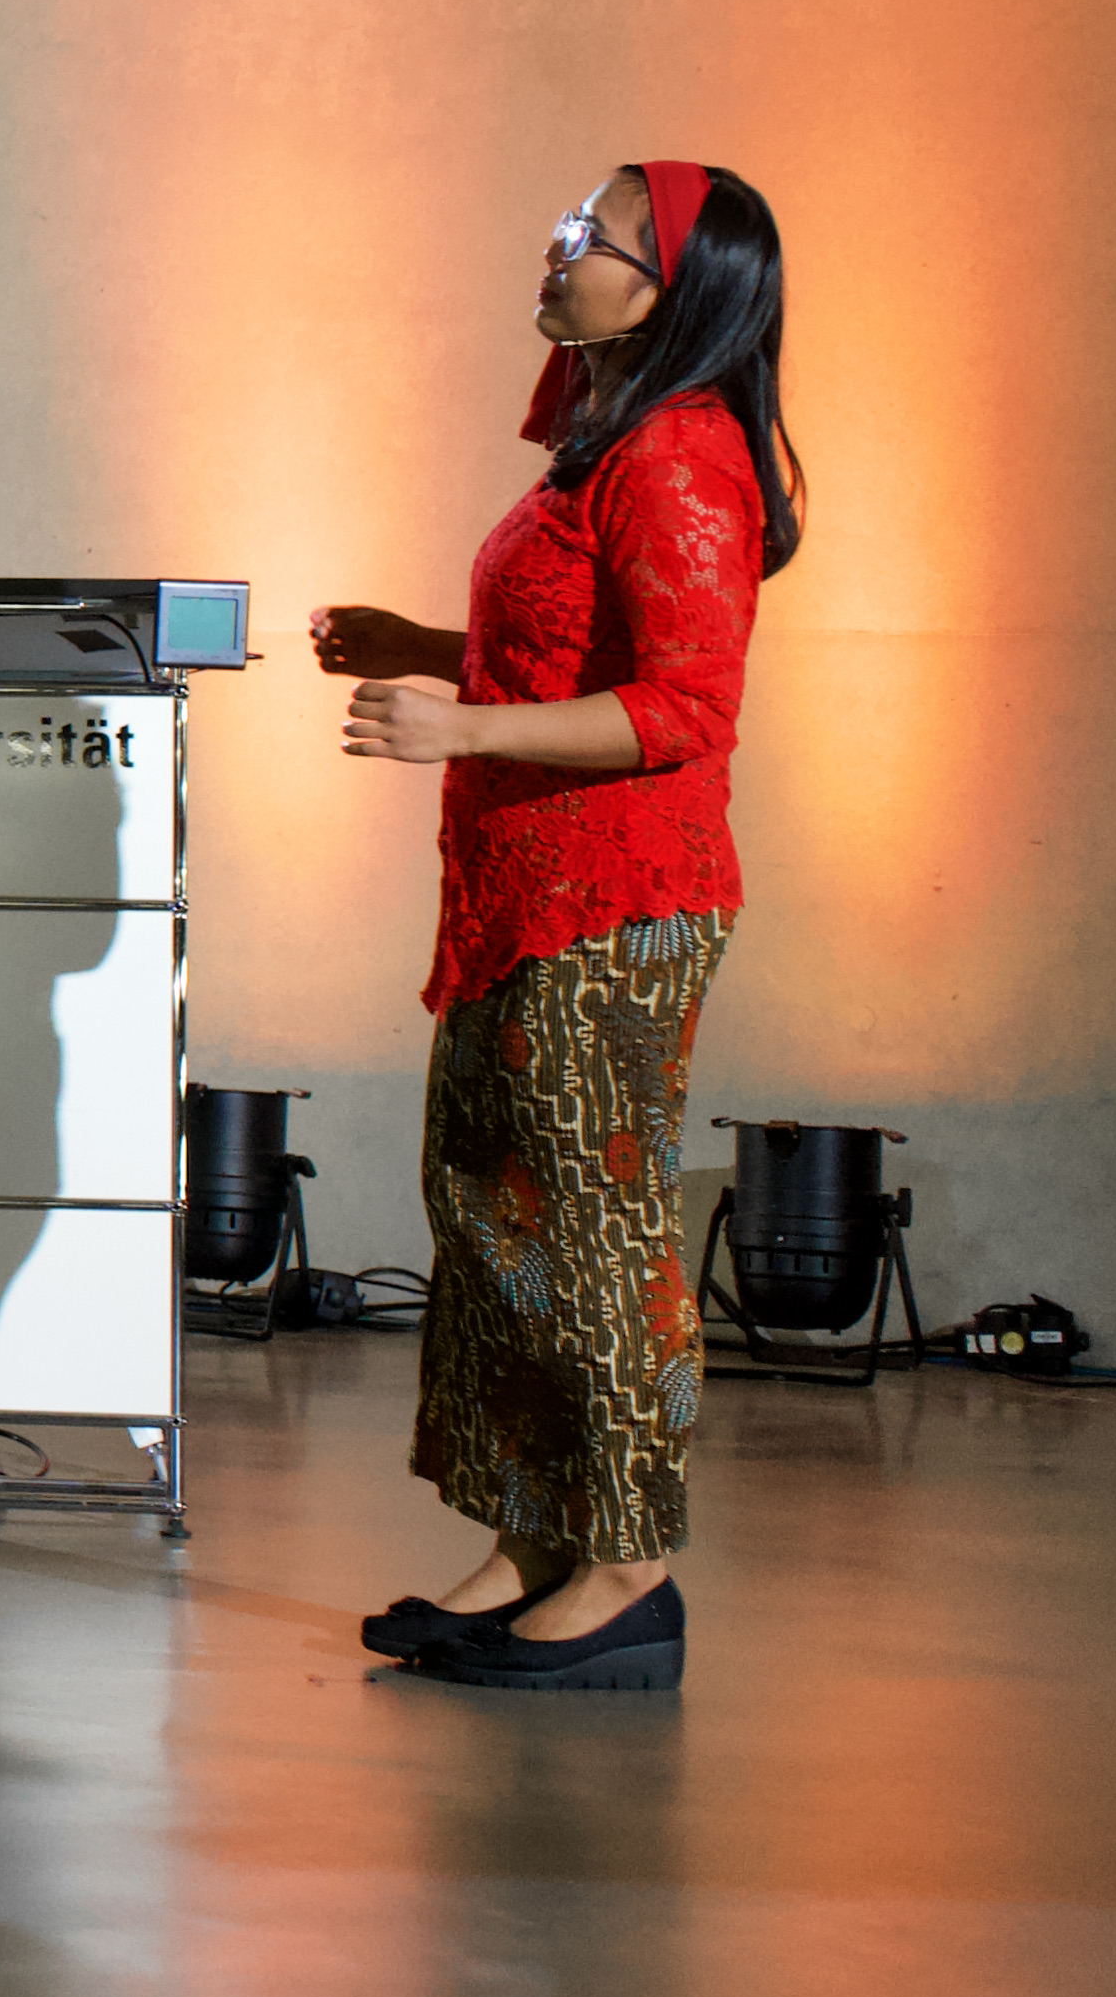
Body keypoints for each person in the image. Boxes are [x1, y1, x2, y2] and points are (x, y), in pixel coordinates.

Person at [319, 160, 798, 1697]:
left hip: (615, 906)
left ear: (673, 287)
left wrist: (457, 726)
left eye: (596, 233)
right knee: (488, 1211)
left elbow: (682, 706)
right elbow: (561, 650)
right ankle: (532, 1534)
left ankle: (625, 1563)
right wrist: (429, 650)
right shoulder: (601, 444)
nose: (562, 242)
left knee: (590, 1234)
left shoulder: (675, 455)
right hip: (523, 894)